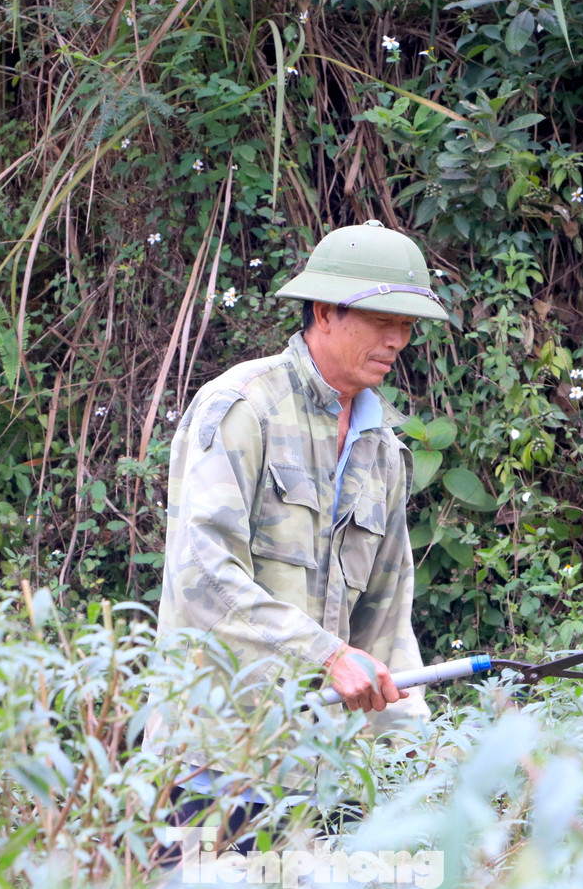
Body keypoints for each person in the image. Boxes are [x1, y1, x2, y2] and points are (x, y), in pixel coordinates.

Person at [143, 220, 449, 847]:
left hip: (324, 775)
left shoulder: (383, 450)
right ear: (325, 311)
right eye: (383, 318)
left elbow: (386, 621)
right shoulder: (240, 407)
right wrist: (327, 656)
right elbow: (203, 575)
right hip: (213, 763)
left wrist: (420, 755)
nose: (399, 339)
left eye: (408, 324)